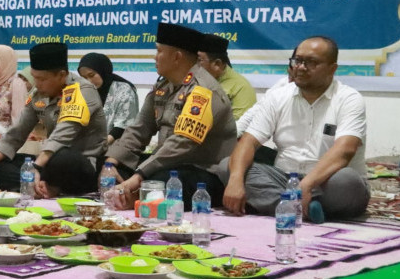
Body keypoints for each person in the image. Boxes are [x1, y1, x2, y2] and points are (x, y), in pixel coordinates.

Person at [220, 36, 368, 223]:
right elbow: (248, 141)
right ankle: (305, 207)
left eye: (311, 62)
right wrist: (235, 179)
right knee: (228, 166)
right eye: (297, 60)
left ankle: (282, 204)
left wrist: (307, 185)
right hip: (284, 178)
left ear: (333, 69)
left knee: (348, 181)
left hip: (328, 182)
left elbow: (345, 150)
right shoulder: (278, 97)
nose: (301, 67)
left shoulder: (349, 99)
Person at [105, 23, 237, 210]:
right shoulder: (164, 87)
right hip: (166, 164)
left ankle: (133, 199)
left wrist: (139, 176)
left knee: (159, 182)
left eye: (159, 51)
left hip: (204, 172)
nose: (155, 57)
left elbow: (182, 144)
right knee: (115, 168)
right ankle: (130, 197)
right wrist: (111, 163)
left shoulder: (203, 91)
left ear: (176, 57)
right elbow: (139, 129)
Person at [0, 42, 107, 196]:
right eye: (34, 78)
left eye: (42, 79)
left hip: (78, 164)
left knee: (61, 157)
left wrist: (36, 168)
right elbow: (17, 133)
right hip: (47, 162)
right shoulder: (38, 92)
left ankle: (36, 184)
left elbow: (60, 137)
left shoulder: (83, 91)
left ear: (61, 75)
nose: (37, 84)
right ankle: (42, 187)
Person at [77, 52, 139, 144]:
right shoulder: (83, 91)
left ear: (103, 71)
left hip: (118, 147)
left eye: (91, 75)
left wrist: (99, 147)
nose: (88, 81)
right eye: (84, 78)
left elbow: (123, 127)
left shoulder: (123, 90)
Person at [198, 34, 256, 120]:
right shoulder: (196, 80)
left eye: (199, 60)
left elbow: (240, 127)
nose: (196, 65)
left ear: (217, 64)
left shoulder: (241, 87)